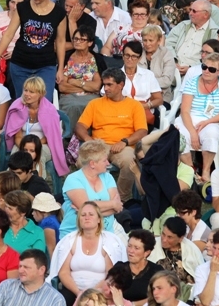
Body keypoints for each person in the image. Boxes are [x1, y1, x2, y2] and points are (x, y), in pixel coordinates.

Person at [72, 69, 148, 202]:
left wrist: (125, 141)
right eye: (104, 84)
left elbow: (142, 131)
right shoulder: (95, 104)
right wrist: (89, 140)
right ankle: (93, 196)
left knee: (129, 161)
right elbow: (80, 126)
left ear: (121, 85)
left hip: (124, 146)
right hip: (99, 145)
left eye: (109, 85)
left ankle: (120, 199)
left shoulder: (134, 105)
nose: (105, 88)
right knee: (82, 161)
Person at [52, 201, 127, 306]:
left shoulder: (109, 241)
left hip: (100, 290)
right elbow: (63, 272)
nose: (87, 217)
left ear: (99, 219)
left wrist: (90, 293)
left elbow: (110, 275)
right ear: (79, 219)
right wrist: (79, 293)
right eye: (83, 215)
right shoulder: (69, 240)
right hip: (73, 290)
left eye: (91, 214)